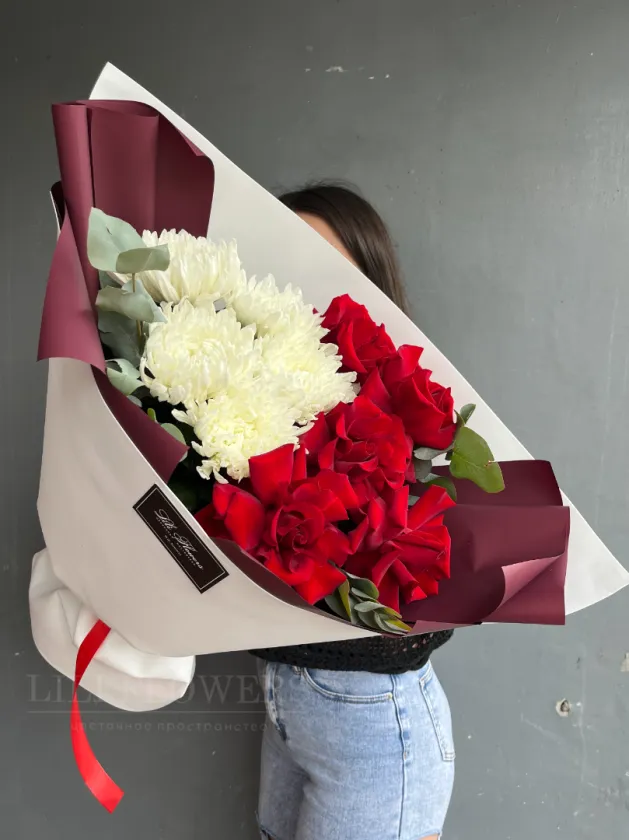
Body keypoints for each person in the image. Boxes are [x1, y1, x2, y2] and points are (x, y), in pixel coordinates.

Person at [252, 183, 456, 840]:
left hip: (375, 726)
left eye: (324, 264)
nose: (303, 283)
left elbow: (421, 591)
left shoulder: (404, 405)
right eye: (285, 257)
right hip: (288, 705)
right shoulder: (246, 395)